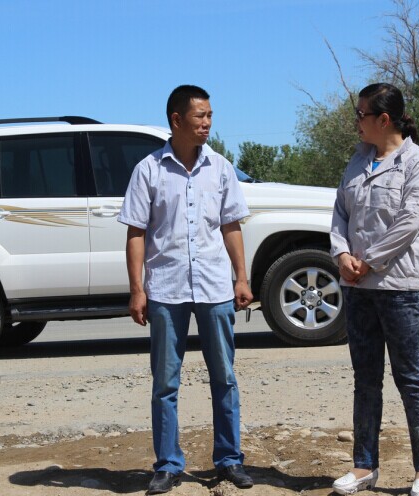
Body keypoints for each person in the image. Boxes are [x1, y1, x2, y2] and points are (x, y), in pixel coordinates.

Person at [118, 84, 254, 495]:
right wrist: (137, 289)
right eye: (200, 116)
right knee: (165, 383)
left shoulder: (221, 168)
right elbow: (136, 233)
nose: (207, 123)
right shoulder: (148, 170)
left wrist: (241, 277)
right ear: (177, 120)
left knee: (224, 377)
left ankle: (229, 460)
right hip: (166, 289)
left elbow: (231, 225)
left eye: (210, 115)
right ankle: (167, 465)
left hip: (214, 287)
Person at [330, 83, 419, 496]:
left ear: (384, 119)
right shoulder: (357, 160)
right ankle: (364, 466)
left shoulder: (417, 163)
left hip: (398, 287)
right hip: (356, 286)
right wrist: (342, 254)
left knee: (409, 378)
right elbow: (340, 213)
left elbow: (410, 221)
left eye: (361, 114)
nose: (356, 122)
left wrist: (370, 260)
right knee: (365, 379)